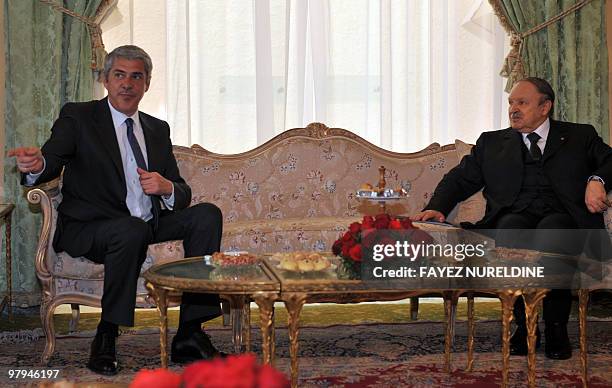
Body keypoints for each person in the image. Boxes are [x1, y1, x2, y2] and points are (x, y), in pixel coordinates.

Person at [9, 45, 225, 375]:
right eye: (119, 75)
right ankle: (106, 335)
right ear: (106, 80)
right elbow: (51, 160)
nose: (127, 84)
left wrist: (166, 188)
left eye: (136, 76)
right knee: (131, 228)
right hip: (92, 227)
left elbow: (180, 191)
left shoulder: (157, 129)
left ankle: (190, 335)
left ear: (147, 83)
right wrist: (37, 166)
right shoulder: (79, 117)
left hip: (146, 223)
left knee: (207, 214)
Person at [412, 77, 612, 360]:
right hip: (513, 214)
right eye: (511, 103)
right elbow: (460, 178)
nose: (513, 109)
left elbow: (609, 160)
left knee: (554, 234)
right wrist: (437, 205)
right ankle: (523, 325)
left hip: (562, 215)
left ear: (545, 107)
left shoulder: (580, 136)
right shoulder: (492, 142)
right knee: (510, 228)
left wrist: (597, 179)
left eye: (522, 102)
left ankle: (556, 327)